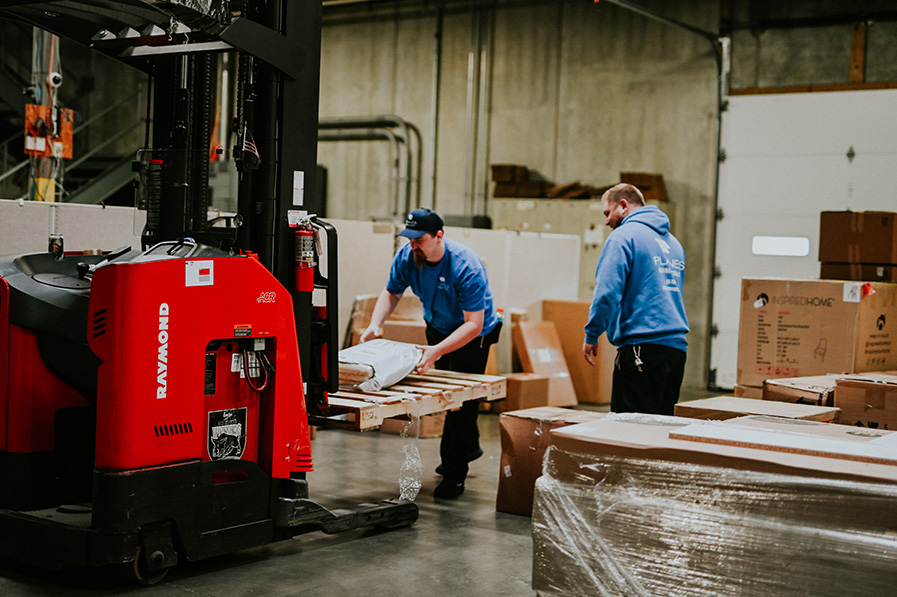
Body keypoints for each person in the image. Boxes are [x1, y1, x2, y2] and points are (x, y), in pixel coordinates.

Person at [360, 208, 501, 499]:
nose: (413, 244)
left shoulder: (465, 267)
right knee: (444, 397)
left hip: (474, 334)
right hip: (437, 325)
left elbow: (473, 324)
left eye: (419, 239)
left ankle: (454, 474)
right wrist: (375, 324)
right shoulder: (408, 256)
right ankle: (468, 448)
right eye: (409, 238)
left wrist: (436, 351)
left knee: (461, 401)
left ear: (439, 236)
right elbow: (392, 292)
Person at [582, 183, 689, 415]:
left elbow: (607, 293)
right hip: (676, 352)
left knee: (629, 432)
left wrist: (592, 334)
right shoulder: (674, 244)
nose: (606, 221)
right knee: (660, 428)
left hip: (642, 349)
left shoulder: (623, 237)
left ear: (623, 205)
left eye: (607, 213)